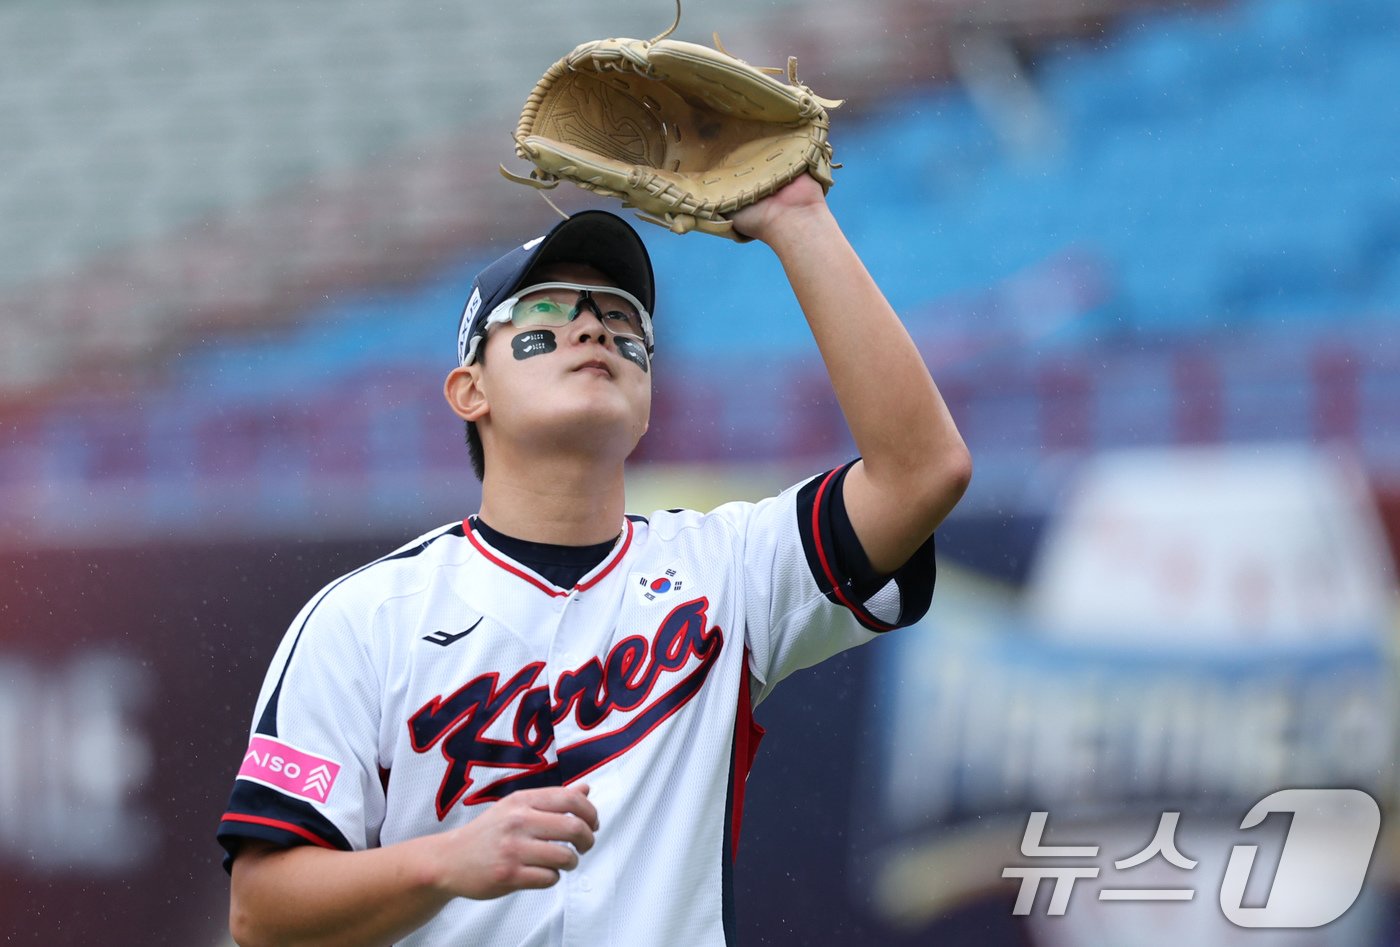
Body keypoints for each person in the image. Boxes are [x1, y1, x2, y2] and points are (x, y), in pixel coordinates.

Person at [218, 174, 971, 946]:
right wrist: (444, 861)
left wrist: (799, 219)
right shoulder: (365, 618)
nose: (594, 329)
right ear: (469, 389)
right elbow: (262, 910)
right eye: (545, 312)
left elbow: (923, 473)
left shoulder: (729, 569)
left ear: (647, 397)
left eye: (623, 321)